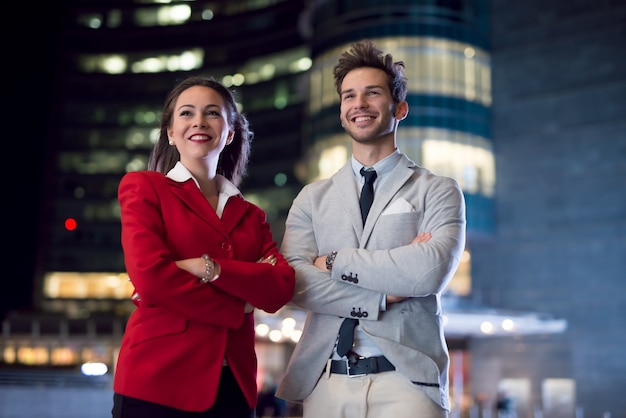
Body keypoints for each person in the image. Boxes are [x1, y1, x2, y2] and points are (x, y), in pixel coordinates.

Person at [275, 40, 466, 418]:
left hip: (408, 382)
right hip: (326, 380)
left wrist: (332, 261)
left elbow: (428, 271)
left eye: (372, 93)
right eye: (349, 96)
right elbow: (294, 282)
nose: (358, 103)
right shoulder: (311, 198)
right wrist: (382, 296)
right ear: (342, 111)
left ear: (400, 108)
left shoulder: (437, 189)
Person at [112, 75, 295, 418]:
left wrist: (210, 268)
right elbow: (152, 278)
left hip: (234, 385)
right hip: (157, 379)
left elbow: (279, 287)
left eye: (212, 113)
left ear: (229, 132)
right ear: (170, 131)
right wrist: (237, 305)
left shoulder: (251, 215)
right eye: (186, 113)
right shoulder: (145, 188)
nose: (198, 121)